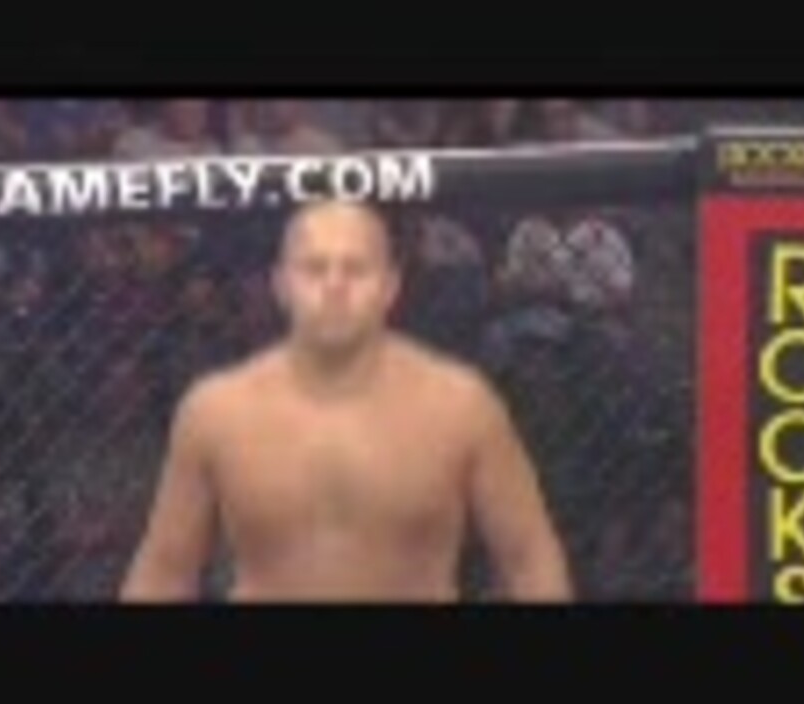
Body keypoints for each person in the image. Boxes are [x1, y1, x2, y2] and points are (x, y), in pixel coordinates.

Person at [121, 200, 572, 603]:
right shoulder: (215, 411)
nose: (334, 285)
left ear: (390, 286)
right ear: (281, 285)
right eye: (314, 269)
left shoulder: (463, 405)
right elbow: (164, 570)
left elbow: (529, 557)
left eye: (355, 269)